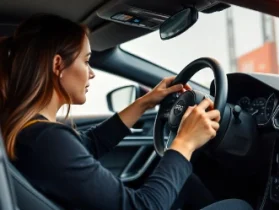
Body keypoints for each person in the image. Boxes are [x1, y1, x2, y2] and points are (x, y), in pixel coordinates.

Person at [0, 14, 253, 210]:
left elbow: (90, 144)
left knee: (186, 182)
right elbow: (143, 206)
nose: (91, 73)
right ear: (58, 65)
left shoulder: (30, 133)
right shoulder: (46, 140)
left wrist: (145, 102)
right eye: (87, 61)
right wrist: (184, 143)